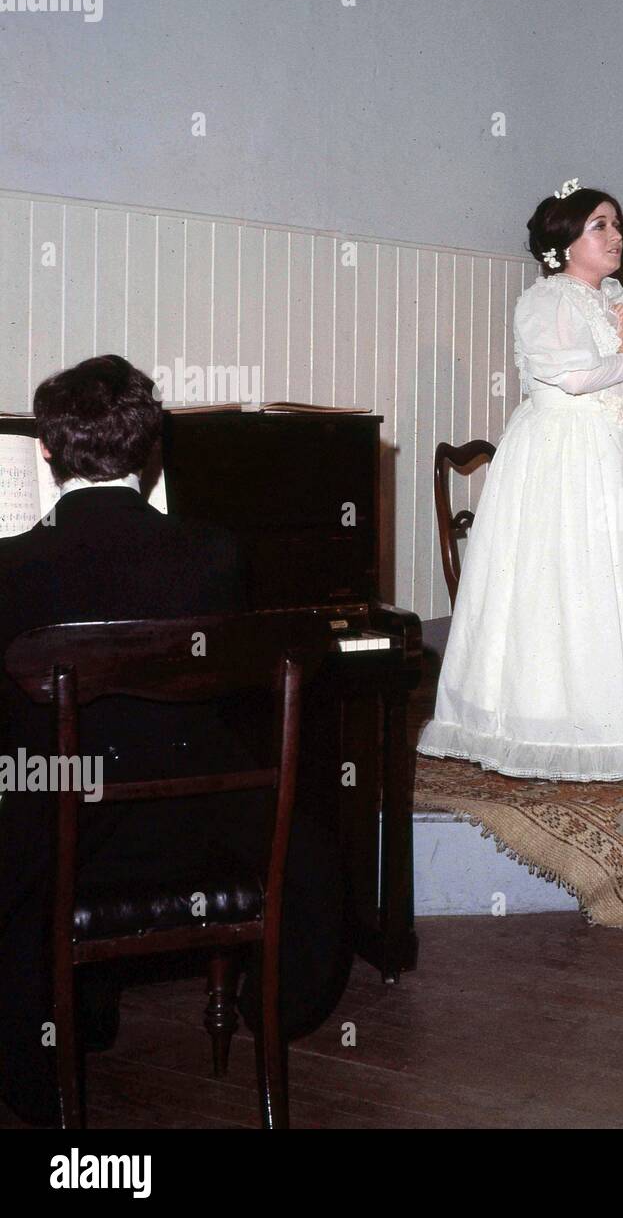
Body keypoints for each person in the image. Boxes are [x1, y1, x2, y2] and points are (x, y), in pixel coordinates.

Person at [0, 355, 352, 1125]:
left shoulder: (14, 566)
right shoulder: (215, 553)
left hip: (70, 843)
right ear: (150, 450)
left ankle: (47, 1045)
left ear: (47, 453)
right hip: (201, 833)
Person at [418, 180, 623, 781]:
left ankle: (612, 725)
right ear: (565, 241)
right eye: (600, 225)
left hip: (609, 454)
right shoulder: (546, 302)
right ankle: (537, 723)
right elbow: (572, 379)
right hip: (556, 452)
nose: (616, 235)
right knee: (557, 577)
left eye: (617, 224)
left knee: (612, 578)